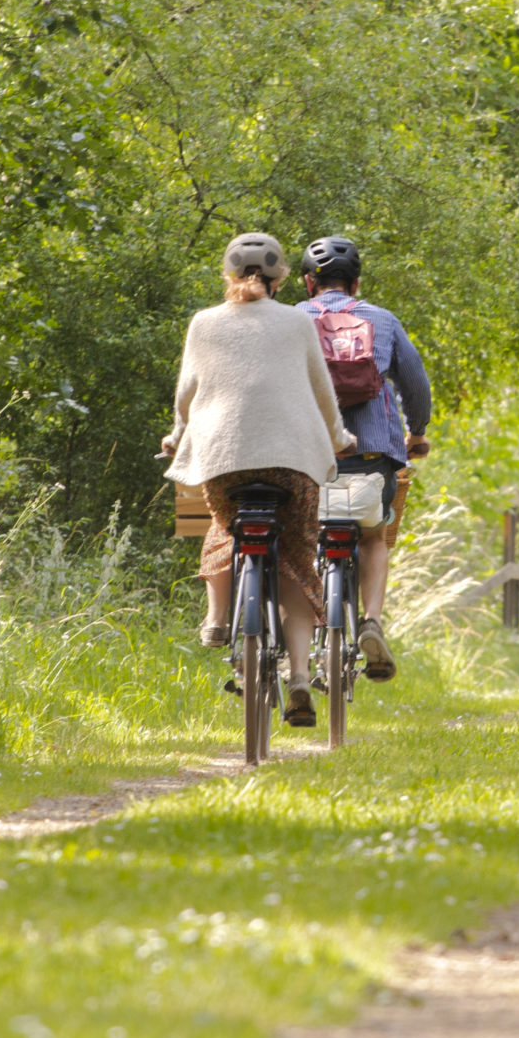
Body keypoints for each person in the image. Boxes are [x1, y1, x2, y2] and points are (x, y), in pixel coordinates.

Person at [160, 232, 353, 729]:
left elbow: (188, 393)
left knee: (223, 527)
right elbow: (321, 389)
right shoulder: (296, 321)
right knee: (294, 555)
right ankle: (301, 680)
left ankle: (218, 620)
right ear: (282, 277)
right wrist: (339, 438)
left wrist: (177, 435)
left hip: (224, 459)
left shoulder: (203, 323)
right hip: (293, 461)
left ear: (227, 276)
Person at [298, 235, 430, 683]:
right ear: (356, 284)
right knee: (375, 536)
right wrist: (418, 432)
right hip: (373, 455)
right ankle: (371, 620)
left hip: (309, 455)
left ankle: (310, 631)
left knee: (303, 537)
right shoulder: (382, 319)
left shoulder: (292, 320)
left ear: (307, 282)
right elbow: (415, 383)